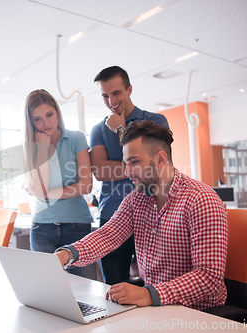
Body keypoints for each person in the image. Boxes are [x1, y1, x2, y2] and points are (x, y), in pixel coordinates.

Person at [56, 120, 228, 310]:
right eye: (125, 163)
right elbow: (108, 236)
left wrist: (149, 294)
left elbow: (209, 278)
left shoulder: (201, 199)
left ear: (161, 159)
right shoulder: (137, 199)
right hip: (156, 308)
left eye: (134, 162)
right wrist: (67, 255)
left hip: (197, 314)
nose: (127, 172)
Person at [89, 65, 169, 285]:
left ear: (129, 89)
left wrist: (121, 131)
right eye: (105, 95)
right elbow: (100, 172)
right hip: (112, 215)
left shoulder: (155, 122)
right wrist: (137, 162)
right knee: (115, 288)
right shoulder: (98, 130)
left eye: (116, 93)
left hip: (151, 215)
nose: (111, 101)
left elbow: (156, 167)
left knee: (155, 285)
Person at [23, 89, 96, 279]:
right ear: (30, 121)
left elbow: (86, 185)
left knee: (86, 287)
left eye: (49, 114)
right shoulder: (30, 146)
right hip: (42, 227)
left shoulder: (76, 138)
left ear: (57, 111)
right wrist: (41, 150)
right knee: (46, 289)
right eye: (37, 119)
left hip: (77, 225)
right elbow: (39, 189)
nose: (46, 123)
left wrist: (48, 194)